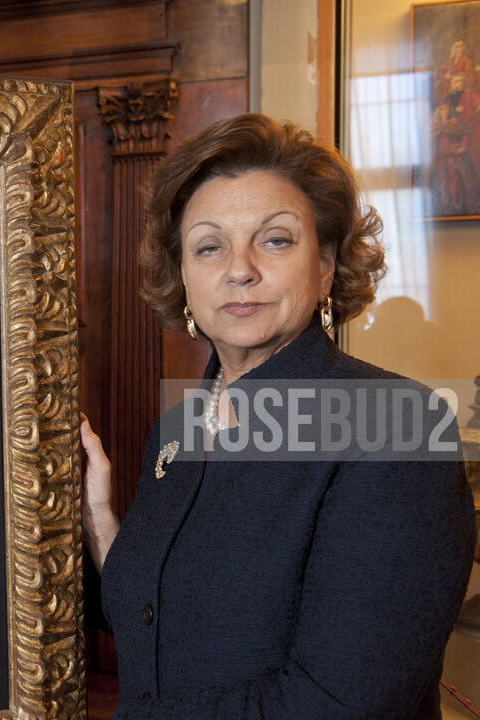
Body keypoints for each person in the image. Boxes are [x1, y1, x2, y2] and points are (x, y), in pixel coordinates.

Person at [80, 114, 476, 719]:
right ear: (182, 278)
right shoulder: (179, 430)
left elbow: (341, 705)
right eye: (208, 246)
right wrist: (102, 525)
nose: (239, 269)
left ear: (325, 266)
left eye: (275, 239)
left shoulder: (397, 426)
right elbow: (171, 622)